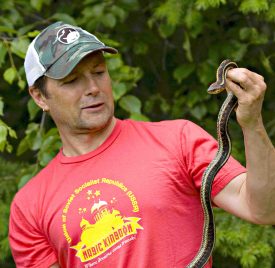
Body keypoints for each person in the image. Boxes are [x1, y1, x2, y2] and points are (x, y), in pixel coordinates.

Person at [8, 21, 275, 268]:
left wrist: (252, 123)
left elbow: (265, 209)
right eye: (72, 81)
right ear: (40, 97)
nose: (92, 88)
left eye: (99, 72)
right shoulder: (30, 207)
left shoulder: (178, 140)